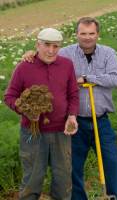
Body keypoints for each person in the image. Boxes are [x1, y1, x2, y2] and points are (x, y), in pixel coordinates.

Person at [22, 17, 117, 200]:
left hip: (101, 120)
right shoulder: (65, 54)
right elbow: (46, 56)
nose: (87, 37)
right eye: (83, 33)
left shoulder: (108, 53)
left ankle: (115, 197)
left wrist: (86, 78)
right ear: (76, 34)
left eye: (91, 33)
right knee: (72, 168)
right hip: (73, 122)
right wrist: (31, 53)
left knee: (112, 163)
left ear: (97, 34)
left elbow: (115, 79)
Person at [4, 28, 79, 200]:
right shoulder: (24, 67)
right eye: (46, 45)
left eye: (56, 46)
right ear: (37, 44)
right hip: (33, 132)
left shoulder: (66, 65)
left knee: (63, 179)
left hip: (62, 131)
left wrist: (72, 116)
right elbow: (9, 96)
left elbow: (73, 94)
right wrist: (25, 110)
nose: (51, 50)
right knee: (32, 179)